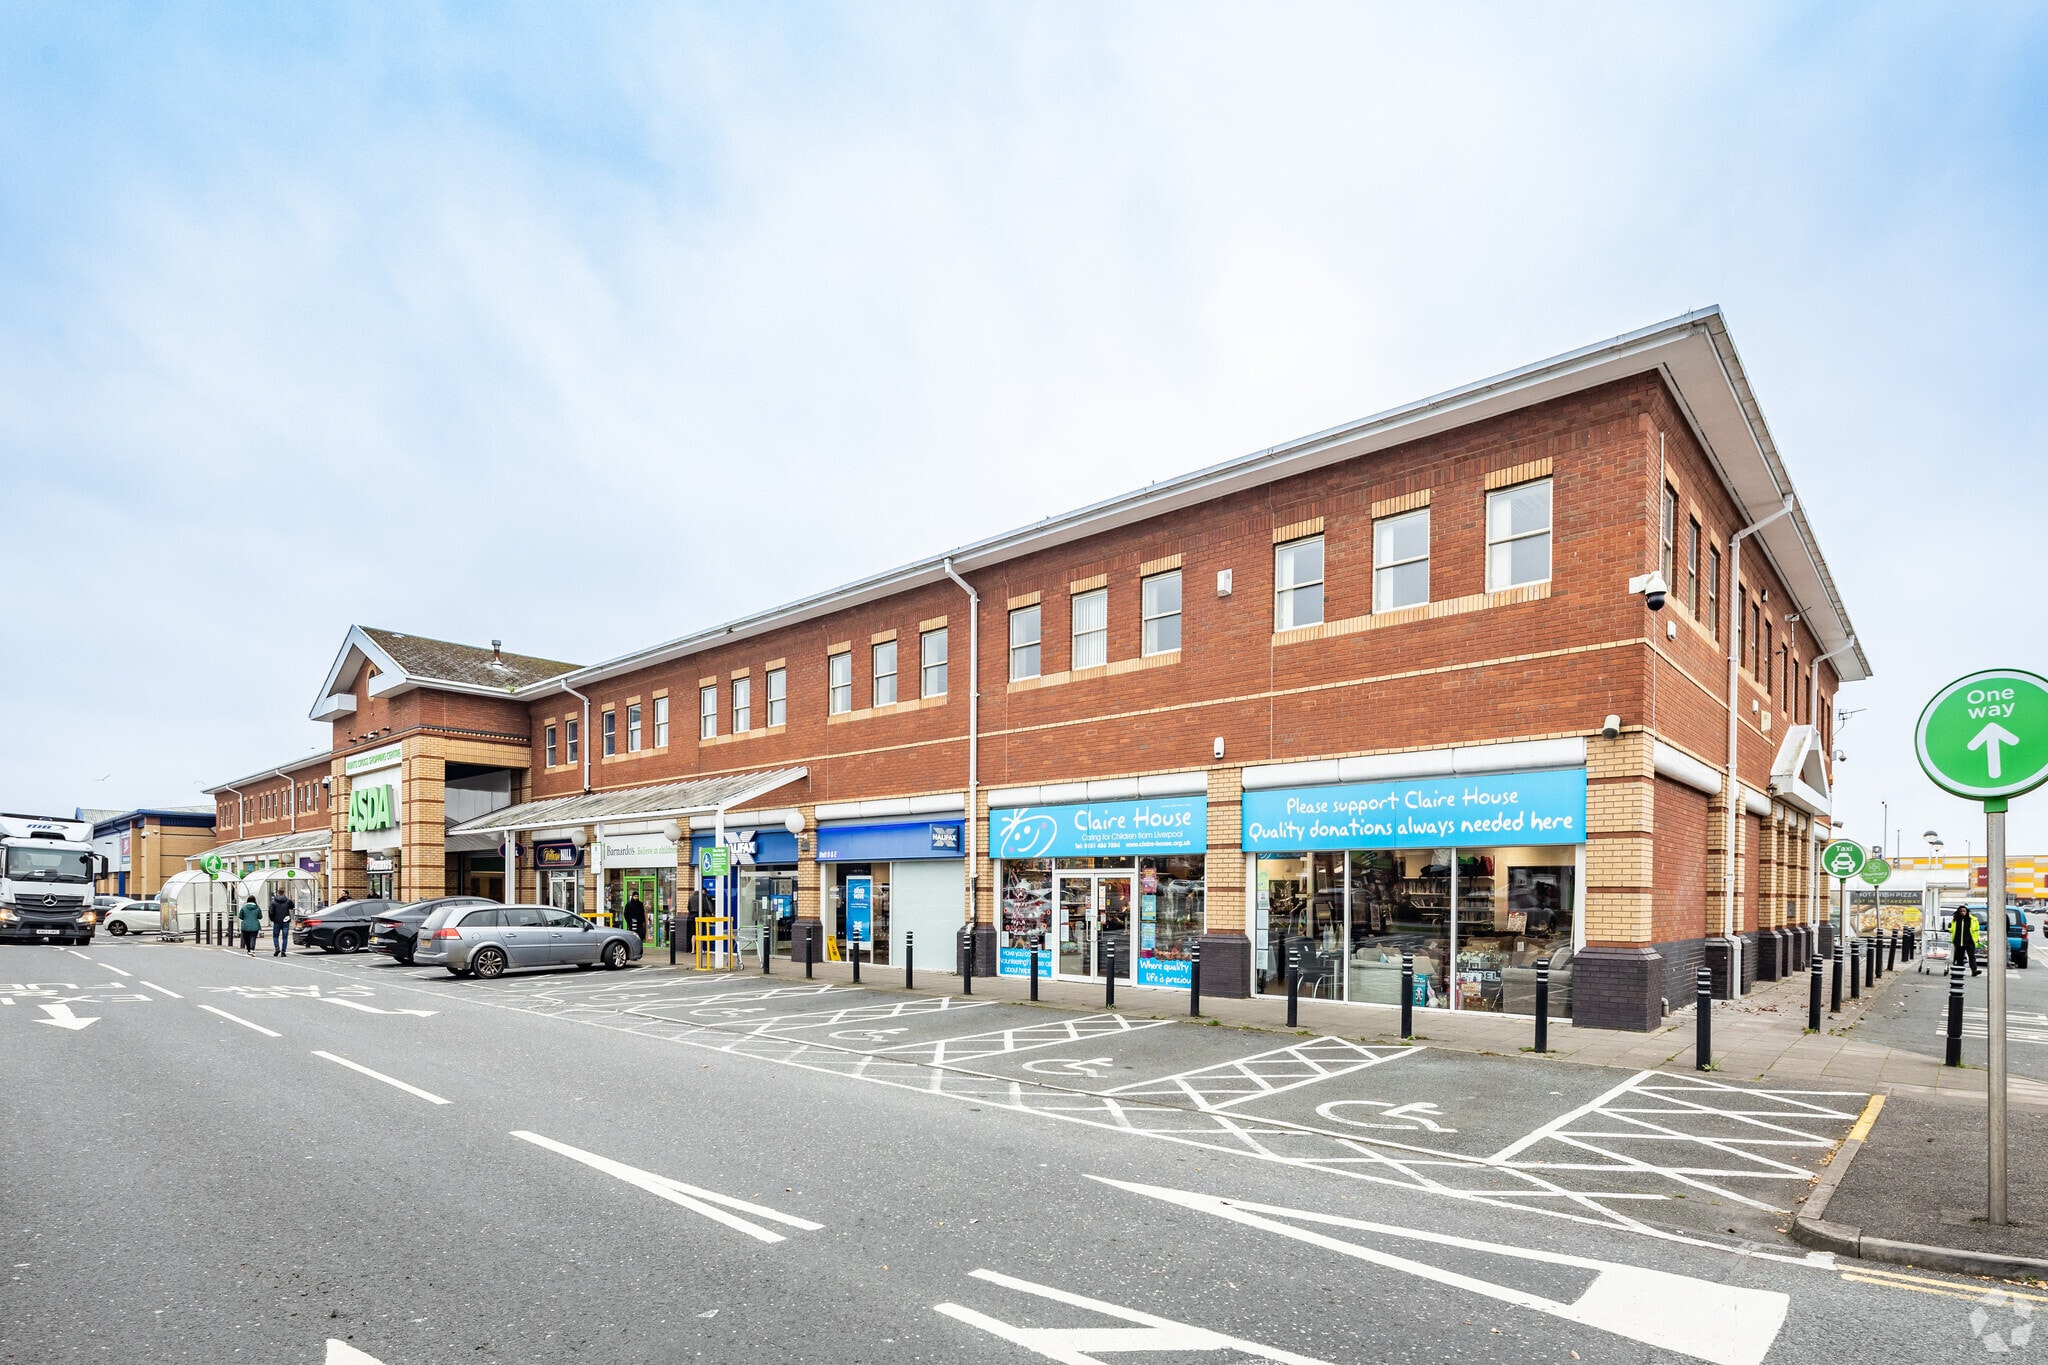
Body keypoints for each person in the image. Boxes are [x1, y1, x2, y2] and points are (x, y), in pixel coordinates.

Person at [1952, 905, 1982, 978]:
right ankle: (1959, 971)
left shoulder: (1973, 920)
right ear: (1959, 912)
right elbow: (1953, 930)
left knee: (1971, 956)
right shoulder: (1955, 920)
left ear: (1967, 912)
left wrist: (1978, 937)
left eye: (1964, 911)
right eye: (1961, 911)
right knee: (1959, 957)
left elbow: (1977, 931)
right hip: (1959, 941)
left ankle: (1974, 971)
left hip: (1970, 941)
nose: (1962, 913)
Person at [267, 890, 293, 957]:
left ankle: (277, 948)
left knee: (275, 936)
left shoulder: (273, 902)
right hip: (285, 920)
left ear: (278, 893)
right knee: (285, 937)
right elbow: (292, 906)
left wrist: (272, 919)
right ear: (284, 893)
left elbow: (270, 911)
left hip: (277, 921)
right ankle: (283, 951)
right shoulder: (287, 900)